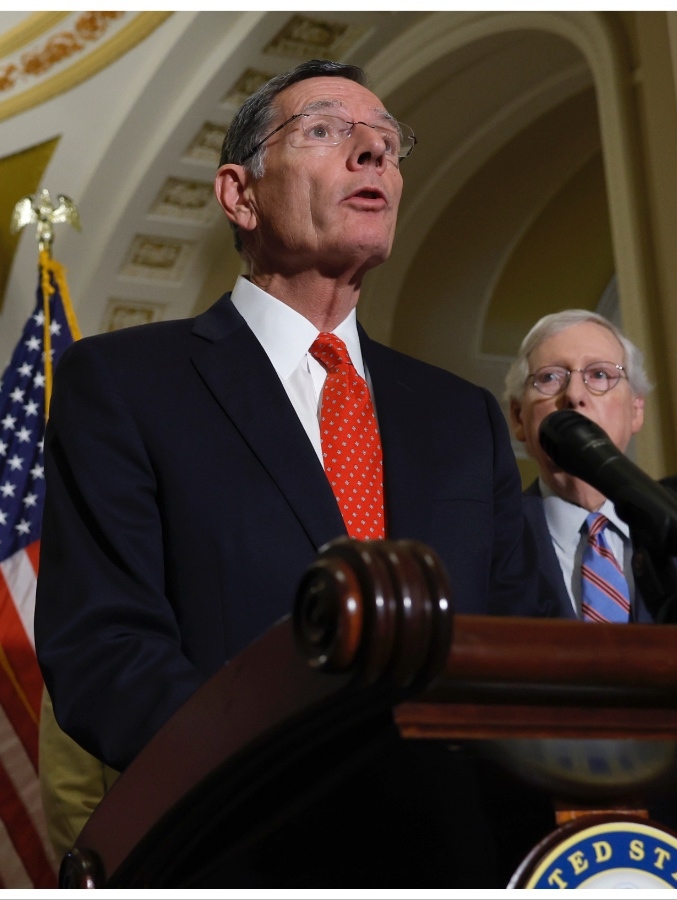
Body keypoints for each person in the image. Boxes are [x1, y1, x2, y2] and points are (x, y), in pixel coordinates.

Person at [37, 59, 557, 773]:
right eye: (324, 130)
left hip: (459, 814)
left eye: (386, 140)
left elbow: (524, 643)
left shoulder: (460, 415)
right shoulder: (125, 384)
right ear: (240, 194)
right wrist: (286, 777)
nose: (373, 151)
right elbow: (107, 652)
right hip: (245, 815)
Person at [505, 310, 677, 626]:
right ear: (518, 417)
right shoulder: (485, 543)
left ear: (636, 409)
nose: (574, 395)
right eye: (550, 377)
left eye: (599, 374)